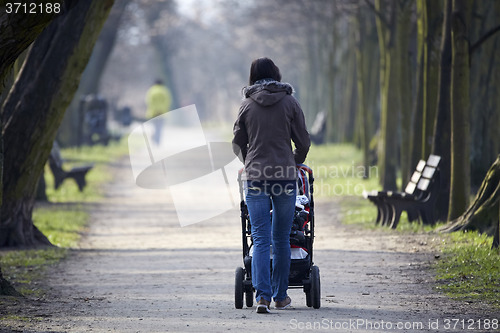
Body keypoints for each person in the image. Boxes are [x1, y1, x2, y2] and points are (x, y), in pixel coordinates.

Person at [232, 57, 311, 313]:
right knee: (281, 238)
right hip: (285, 178)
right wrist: (293, 162)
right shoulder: (290, 102)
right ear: (276, 74)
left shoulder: (246, 105)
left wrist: (249, 161)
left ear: (252, 77)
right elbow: (304, 142)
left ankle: (261, 297)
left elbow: (237, 142)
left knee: (260, 237)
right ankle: (280, 296)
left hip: (255, 177)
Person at [145, 79, 172, 144]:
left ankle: (154, 137)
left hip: (152, 113)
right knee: (159, 128)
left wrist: (154, 109)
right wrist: (162, 110)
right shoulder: (165, 91)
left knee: (154, 127)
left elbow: (148, 101)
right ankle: (158, 140)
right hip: (162, 113)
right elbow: (167, 102)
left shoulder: (151, 90)